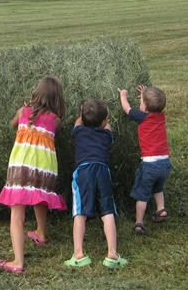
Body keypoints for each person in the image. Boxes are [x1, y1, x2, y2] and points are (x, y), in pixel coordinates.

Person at [0, 76, 67, 274]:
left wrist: (22, 112)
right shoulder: (56, 120)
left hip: (21, 166)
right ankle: (41, 233)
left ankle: (18, 261)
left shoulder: (23, 112)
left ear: (36, 94)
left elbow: (13, 124)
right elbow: (54, 130)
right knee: (39, 197)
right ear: (57, 99)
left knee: (17, 213)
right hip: (44, 168)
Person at [63, 99, 128, 269]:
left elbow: (79, 121)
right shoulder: (106, 135)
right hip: (102, 171)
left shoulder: (78, 132)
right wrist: (106, 119)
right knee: (107, 211)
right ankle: (112, 254)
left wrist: (82, 113)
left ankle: (79, 255)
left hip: (83, 172)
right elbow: (107, 126)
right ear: (104, 121)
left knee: (80, 212)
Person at [119, 84, 171, 235]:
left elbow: (127, 109)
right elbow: (151, 105)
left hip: (149, 165)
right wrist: (145, 95)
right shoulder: (161, 116)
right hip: (165, 163)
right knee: (158, 187)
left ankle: (139, 222)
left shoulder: (142, 117)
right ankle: (161, 209)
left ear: (146, 108)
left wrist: (123, 96)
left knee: (142, 194)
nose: (139, 104)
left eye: (141, 102)